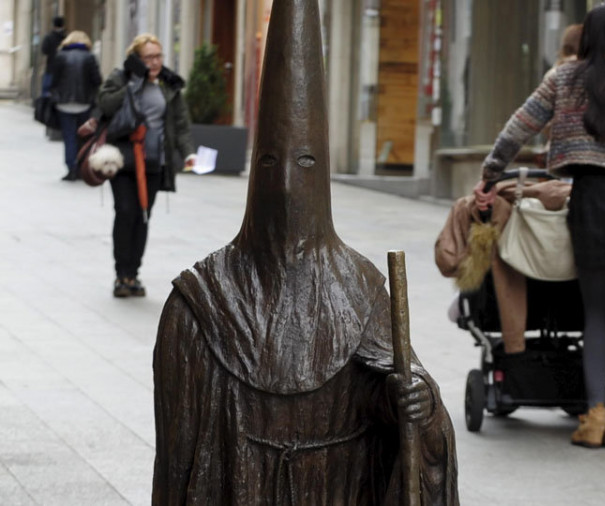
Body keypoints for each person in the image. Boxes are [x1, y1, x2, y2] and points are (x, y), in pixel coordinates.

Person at [152, 2, 458, 503]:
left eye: (307, 161)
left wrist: (413, 401)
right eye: (270, 161)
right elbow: (182, 462)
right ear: (254, 170)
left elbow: (393, 395)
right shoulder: (200, 302)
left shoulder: (360, 285)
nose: (289, 183)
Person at [475, 3, 605, 448]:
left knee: (594, 314)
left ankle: (593, 417)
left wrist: (491, 173)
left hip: (590, 201)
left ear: (589, 35)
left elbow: (519, 127)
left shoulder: (564, 79)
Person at [97, 34, 196, 298]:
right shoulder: (122, 78)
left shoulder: (168, 85)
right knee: (126, 212)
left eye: (158, 56)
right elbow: (104, 105)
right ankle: (121, 275)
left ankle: (134, 274)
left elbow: (180, 124)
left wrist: (188, 153)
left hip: (154, 163)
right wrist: (133, 82)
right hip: (122, 160)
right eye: (148, 57)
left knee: (143, 217)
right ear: (136, 60)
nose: (154, 62)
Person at [49, 31, 101, 181]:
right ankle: (80, 167)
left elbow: (54, 80)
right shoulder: (90, 57)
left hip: (64, 104)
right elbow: (97, 80)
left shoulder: (60, 56)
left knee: (69, 137)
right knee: (83, 137)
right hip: (84, 104)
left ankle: (71, 167)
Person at [40, 16, 66, 95]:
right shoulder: (65, 37)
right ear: (63, 25)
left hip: (51, 67)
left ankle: (46, 106)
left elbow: (44, 50)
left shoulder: (48, 37)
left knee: (46, 90)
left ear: (53, 25)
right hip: (63, 69)